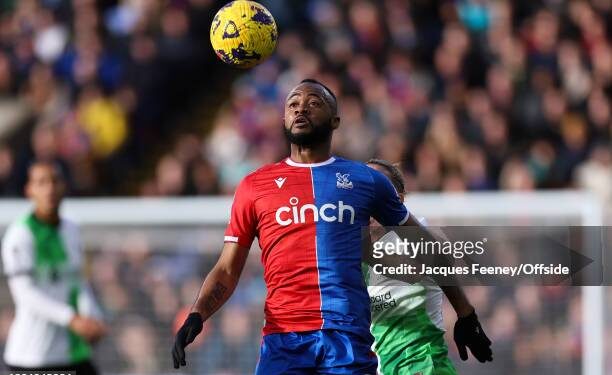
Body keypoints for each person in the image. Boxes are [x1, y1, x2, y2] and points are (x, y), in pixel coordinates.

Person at [172, 79, 489, 373]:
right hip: (282, 340)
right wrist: (198, 313)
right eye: (293, 103)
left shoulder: (366, 180)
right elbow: (228, 269)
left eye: (314, 102)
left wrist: (466, 313)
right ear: (283, 120)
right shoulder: (254, 187)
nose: (301, 108)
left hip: (346, 339)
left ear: (335, 120)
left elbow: (426, 248)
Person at [365, 158, 492, 375]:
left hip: (423, 364)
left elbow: (413, 270)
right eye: (366, 191)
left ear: (399, 199)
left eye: (380, 190)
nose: (373, 199)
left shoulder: (421, 234)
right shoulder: (356, 249)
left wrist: (465, 313)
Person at [1, 161, 106, 375]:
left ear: (63, 186)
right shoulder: (20, 235)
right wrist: (72, 319)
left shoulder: (72, 229)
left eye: (54, 181)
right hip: (33, 357)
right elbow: (25, 295)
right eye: (41, 182)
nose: (49, 188)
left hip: (73, 354)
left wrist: (92, 317)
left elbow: (78, 281)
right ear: (29, 190)